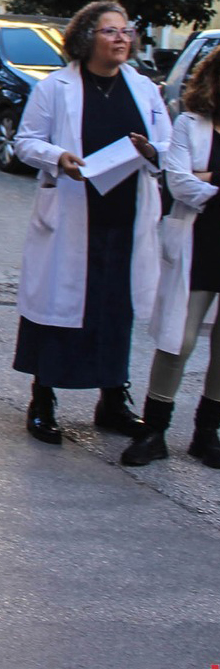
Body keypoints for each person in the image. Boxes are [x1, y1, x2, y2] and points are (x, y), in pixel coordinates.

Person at [13, 0, 168, 448]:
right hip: (72, 213)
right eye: (110, 31)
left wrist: (152, 151)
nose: (122, 38)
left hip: (125, 215)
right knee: (57, 311)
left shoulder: (143, 87)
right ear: (86, 38)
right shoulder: (55, 88)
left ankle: (113, 400)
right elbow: (26, 142)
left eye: (126, 31)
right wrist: (58, 157)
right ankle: (43, 399)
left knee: (115, 310)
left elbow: (168, 143)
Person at [126, 50, 220, 466]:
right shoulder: (189, 124)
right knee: (178, 341)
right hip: (199, 244)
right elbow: (180, 184)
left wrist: (209, 178)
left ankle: (207, 433)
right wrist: (205, 181)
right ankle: (154, 432)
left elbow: (194, 180)